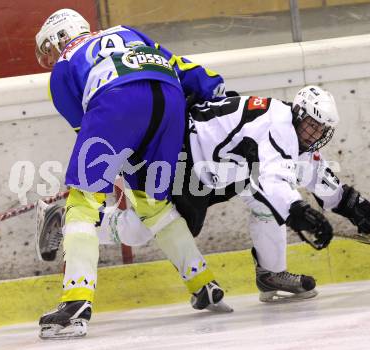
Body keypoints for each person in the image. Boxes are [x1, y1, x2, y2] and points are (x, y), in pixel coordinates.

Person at [34, 8, 230, 339]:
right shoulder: (127, 31)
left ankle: (76, 302)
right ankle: (202, 283)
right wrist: (212, 88)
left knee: (83, 202)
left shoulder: (63, 67)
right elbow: (181, 67)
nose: (50, 57)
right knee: (152, 203)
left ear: (58, 39)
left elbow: (93, 132)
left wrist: (98, 177)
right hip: (168, 99)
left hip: (117, 100)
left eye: (48, 49)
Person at [172, 85, 370, 302]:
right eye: (313, 125)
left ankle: (271, 274)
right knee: (146, 229)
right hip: (185, 153)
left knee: (269, 205)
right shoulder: (278, 125)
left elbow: (313, 174)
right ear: (299, 113)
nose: (316, 134)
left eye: (322, 129)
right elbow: (273, 181)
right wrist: (299, 210)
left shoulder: (294, 132)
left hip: (222, 167)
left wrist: (350, 204)